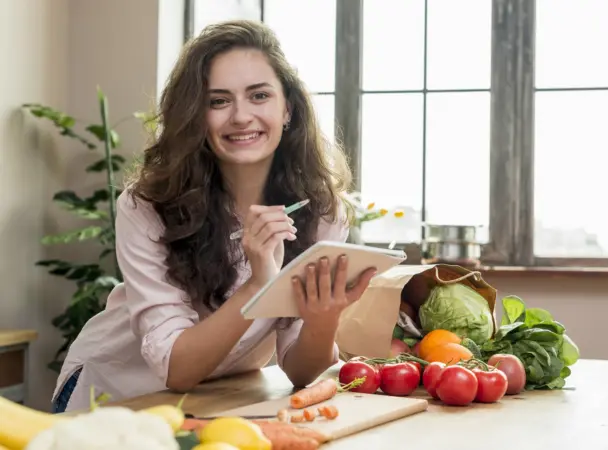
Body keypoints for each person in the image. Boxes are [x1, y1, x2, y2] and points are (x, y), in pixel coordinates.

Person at [51, 19, 376, 413]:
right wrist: (258, 283)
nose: (240, 116)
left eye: (259, 96)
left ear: (287, 108)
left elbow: (304, 373)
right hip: (115, 398)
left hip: (213, 401)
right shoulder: (147, 205)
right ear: (196, 116)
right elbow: (176, 368)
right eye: (218, 101)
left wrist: (323, 319)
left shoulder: (321, 210)